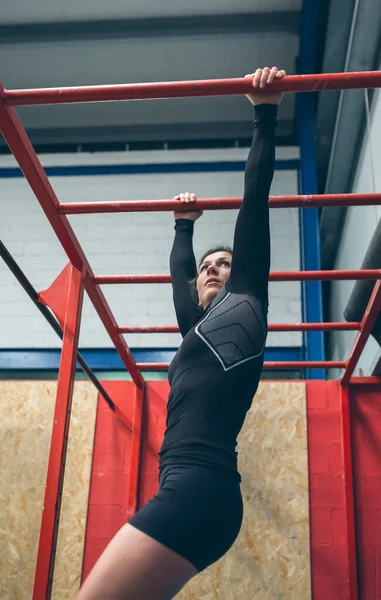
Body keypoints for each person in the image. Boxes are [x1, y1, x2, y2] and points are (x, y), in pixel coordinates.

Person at [77, 65, 285, 600]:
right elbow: (180, 280)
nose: (212, 269)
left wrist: (264, 111)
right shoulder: (197, 330)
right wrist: (182, 225)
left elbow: (255, 203)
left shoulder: (246, 303)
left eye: (223, 263)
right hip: (190, 489)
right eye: (207, 265)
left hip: (201, 487)